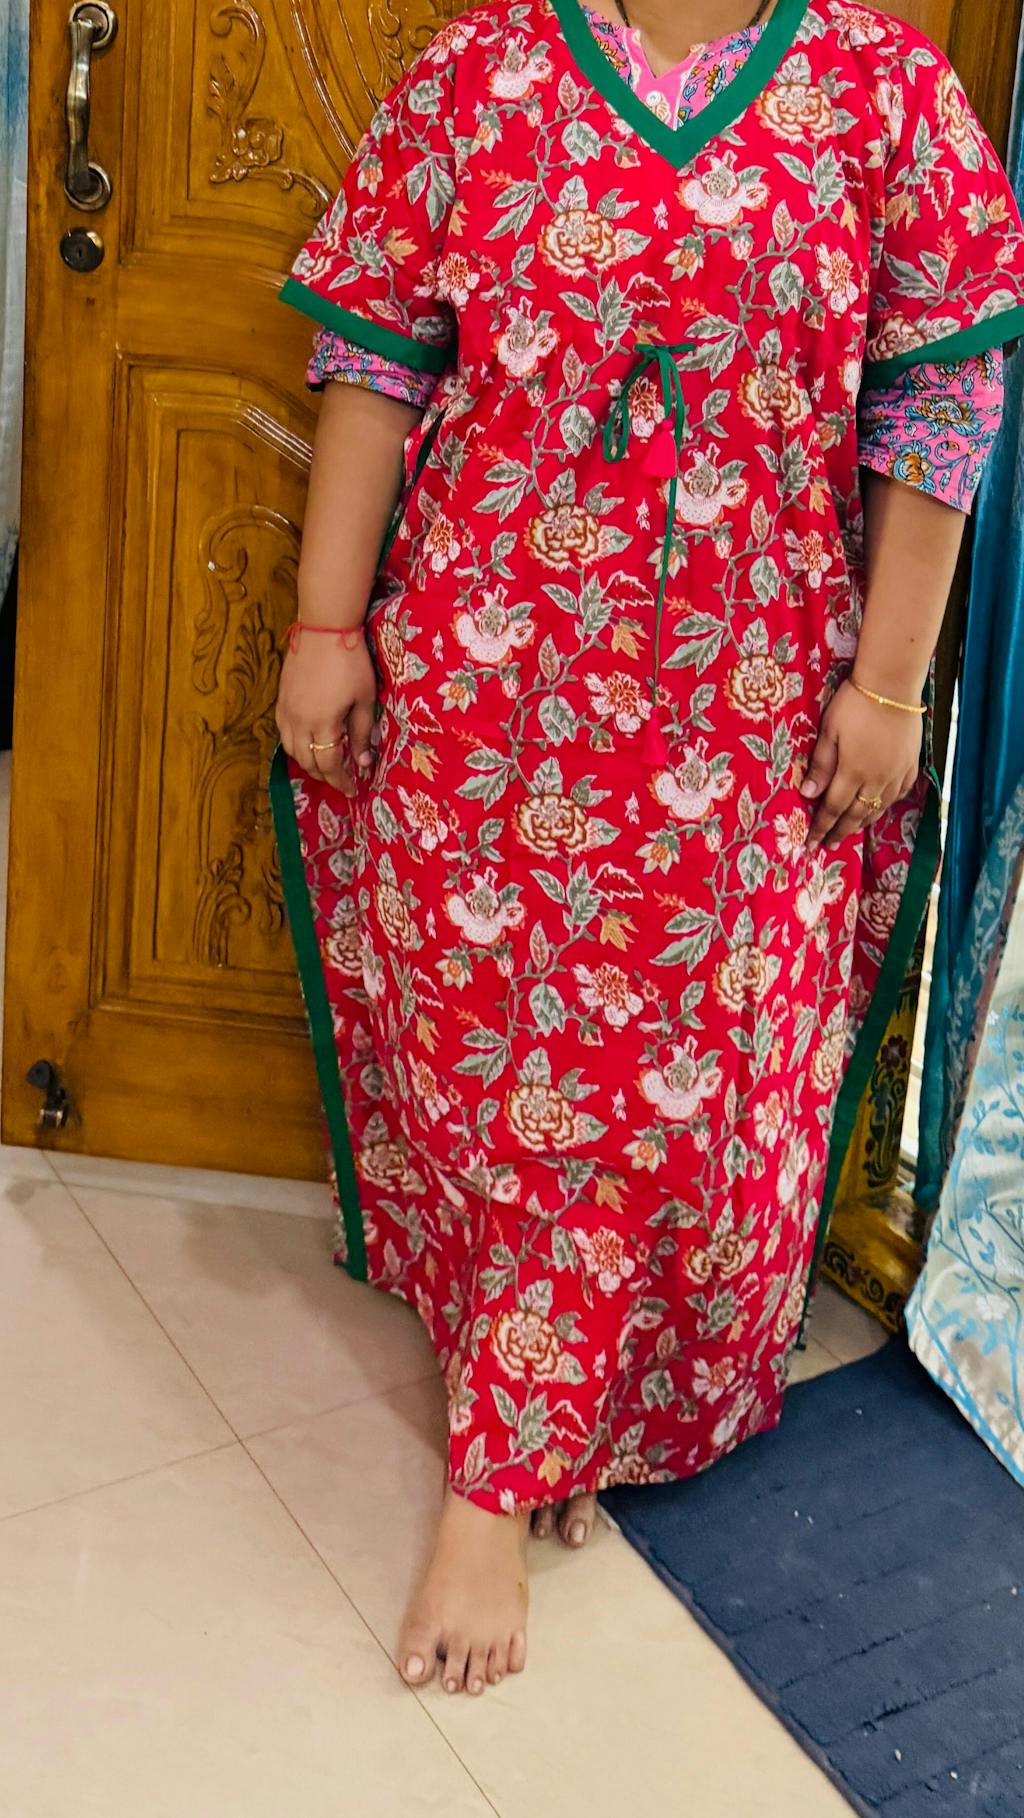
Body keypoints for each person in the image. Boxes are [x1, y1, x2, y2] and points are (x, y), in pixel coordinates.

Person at [271, 0, 1024, 1698]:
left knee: (679, 1067)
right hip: (492, 678)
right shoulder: (478, 78)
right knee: (505, 1054)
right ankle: (507, 1457)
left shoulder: (886, 98)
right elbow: (375, 364)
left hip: (749, 701)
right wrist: (328, 623)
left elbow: (940, 410)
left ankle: (570, 1402)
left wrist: (889, 686)